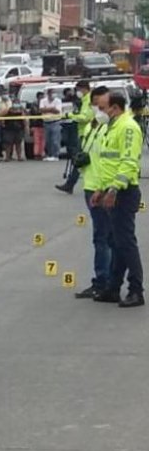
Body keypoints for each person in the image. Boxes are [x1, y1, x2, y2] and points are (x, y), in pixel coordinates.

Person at [92, 89, 144, 307]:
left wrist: (113, 189)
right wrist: (101, 188)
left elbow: (128, 162)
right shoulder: (110, 127)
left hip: (123, 192)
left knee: (126, 243)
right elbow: (108, 163)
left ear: (115, 107)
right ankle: (114, 288)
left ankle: (136, 290)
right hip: (111, 191)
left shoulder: (128, 127)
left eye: (103, 108)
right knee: (117, 242)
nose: (100, 112)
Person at [75, 86, 112, 300]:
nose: (97, 110)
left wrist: (105, 188)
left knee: (104, 238)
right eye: (95, 105)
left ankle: (104, 281)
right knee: (101, 236)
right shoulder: (92, 126)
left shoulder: (110, 128)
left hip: (102, 187)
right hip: (90, 184)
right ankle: (103, 280)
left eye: (101, 106)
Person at [57, 81, 94, 194]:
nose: (77, 93)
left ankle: (70, 184)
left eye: (78, 90)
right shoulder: (84, 100)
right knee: (79, 160)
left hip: (87, 134)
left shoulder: (89, 100)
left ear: (84, 89)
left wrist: (71, 115)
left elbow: (85, 117)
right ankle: (70, 184)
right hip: (83, 133)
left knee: (79, 160)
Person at [40, 88, 63, 161]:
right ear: (48, 94)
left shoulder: (58, 101)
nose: (53, 94)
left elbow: (57, 111)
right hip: (46, 122)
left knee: (55, 140)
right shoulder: (43, 101)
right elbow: (41, 109)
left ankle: (55, 155)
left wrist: (47, 109)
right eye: (52, 93)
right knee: (47, 140)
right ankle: (49, 155)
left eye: (54, 93)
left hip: (55, 122)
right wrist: (52, 109)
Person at [29, 92, 46, 160]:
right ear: (38, 97)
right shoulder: (34, 104)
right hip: (36, 125)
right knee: (37, 141)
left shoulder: (45, 104)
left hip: (44, 124)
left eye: (43, 96)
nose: (42, 98)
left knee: (43, 141)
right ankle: (36, 154)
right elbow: (35, 113)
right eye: (41, 97)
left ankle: (42, 154)